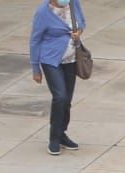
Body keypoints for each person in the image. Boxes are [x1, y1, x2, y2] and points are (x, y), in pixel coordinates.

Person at [29, 0, 85, 155]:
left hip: (71, 59)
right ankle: (54, 138)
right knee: (60, 97)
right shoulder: (43, 12)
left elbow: (82, 23)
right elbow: (35, 40)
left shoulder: (73, 3)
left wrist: (78, 33)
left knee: (67, 100)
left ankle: (62, 134)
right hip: (51, 61)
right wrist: (35, 68)